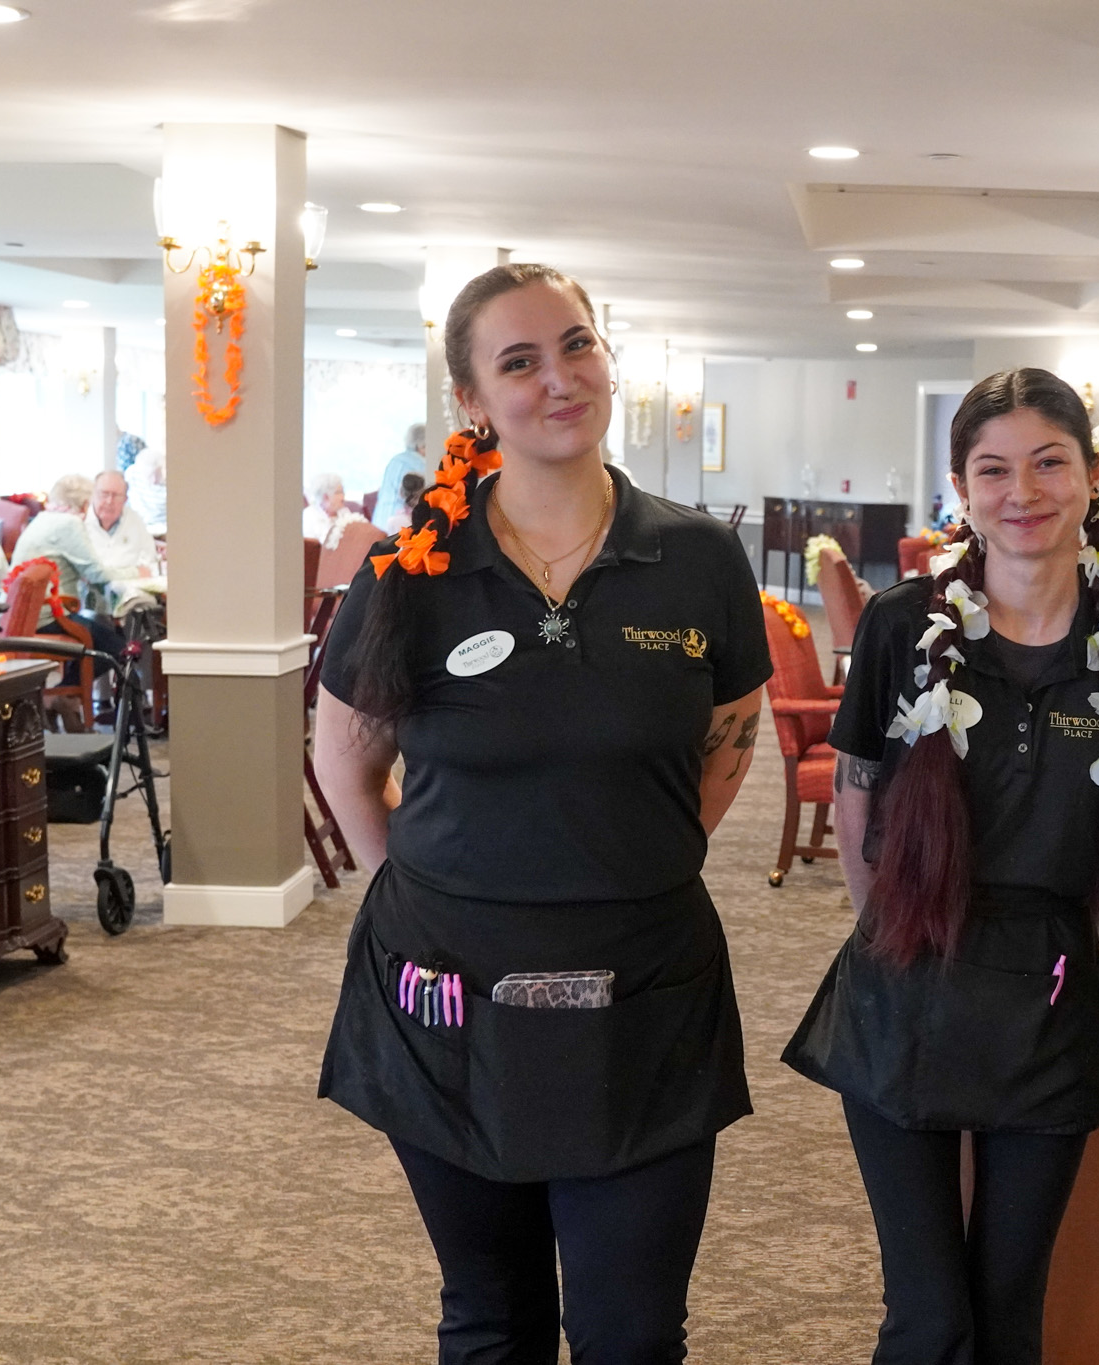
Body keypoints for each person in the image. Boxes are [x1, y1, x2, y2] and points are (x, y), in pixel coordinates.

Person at [313, 262, 771, 1365]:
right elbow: (344, 757)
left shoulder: (697, 559)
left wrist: (629, 855)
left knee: (632, 1328)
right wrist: (421, 884)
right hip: (446, 993)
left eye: (576, 345)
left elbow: (727, 739)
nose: (557, 378)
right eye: (518, 361)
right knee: (489, 1315)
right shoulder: (411, 572)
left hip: (646, 987)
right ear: (471, 401)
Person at [784, 367, 1099, 1364]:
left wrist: (1057, 946)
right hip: (906, 986)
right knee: (927, 1316)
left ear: (1092, 475)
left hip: (1047, 1003)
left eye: (1049, 462)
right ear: (962, 489)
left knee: (1008, 1312)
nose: (1023, 491)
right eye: (993, 469)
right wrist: (898, 937)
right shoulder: (896, 626)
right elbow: (857, 800)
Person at [9, 473, 128, 679]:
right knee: (117, 647)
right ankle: (65, 692)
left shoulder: (43, 519)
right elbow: (98, 574)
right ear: (84, 504)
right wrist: (137, 572)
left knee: (103, 634)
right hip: (46, 616)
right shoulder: (68, 524)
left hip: (20, 616)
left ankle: (66, 694)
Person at [302, 471, 368, 548]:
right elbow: (312, 548)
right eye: (339, 492)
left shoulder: (344, 512)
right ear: (326, 497)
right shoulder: (309, 516)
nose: (343, 497)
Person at [376, 421, 427, 519]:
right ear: (421, 446)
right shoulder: (421, 464)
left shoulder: (394, 460)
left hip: (380, 517)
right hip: (402, 520)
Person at [126, 446, 166, 534]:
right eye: (149, 476)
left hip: (164, 528)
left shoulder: (170, 483)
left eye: (157, 474)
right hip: (138, 526)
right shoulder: (131, 474)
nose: (154, 480)